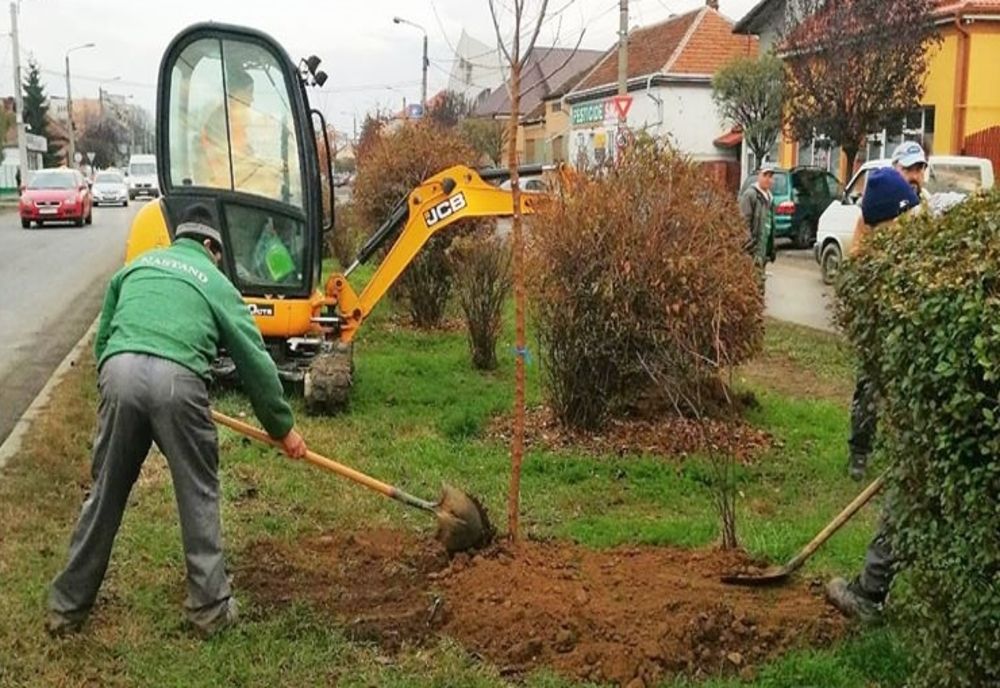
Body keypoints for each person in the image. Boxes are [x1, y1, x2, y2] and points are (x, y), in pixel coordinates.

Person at [47, 205, 307, 639]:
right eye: (218, 254)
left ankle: (66, 607)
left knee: (104, 494)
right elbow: (255, 363)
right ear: (210, 246)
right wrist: (283, 427)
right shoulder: (215, 282)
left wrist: (113, 388)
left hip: (120, 372)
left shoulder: (137, 267)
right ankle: (209, 610)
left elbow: (106, 335)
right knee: (198, 493)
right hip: (178, 383)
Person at [826, 167, 920, 623]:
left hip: (925, 412)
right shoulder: (930, 250)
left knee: (908, 491)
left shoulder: (895, 275)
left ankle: (870, 592)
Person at [846, 142, 929, 482]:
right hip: (880, 316)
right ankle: (860, 452)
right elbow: (855, 262)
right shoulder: (874, 213)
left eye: (920, 169)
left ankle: (908, 456)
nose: (915, 175)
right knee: (870, 385)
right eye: (909, 169)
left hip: (912, 318)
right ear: (897, 169)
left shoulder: (920, 210)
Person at [739, 163, 777, 288]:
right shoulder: (750, 195)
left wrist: (771, 249)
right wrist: (749, 246)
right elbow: (743, 222)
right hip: (753, 251)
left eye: (770, 176)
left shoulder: (770, 198)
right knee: (753, 284)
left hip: (764, 249)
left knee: (760, 283)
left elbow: (770, 224)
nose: (768, 179)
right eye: (765, 175)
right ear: (759, 176)